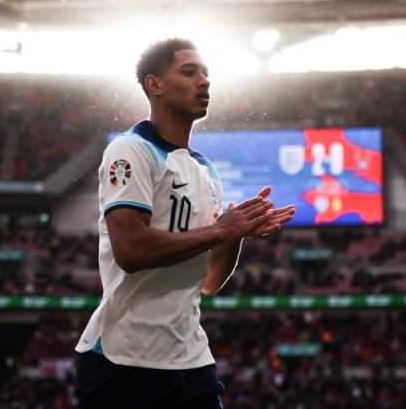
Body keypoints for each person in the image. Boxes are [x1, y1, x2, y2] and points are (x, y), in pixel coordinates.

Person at [74, 38, 296, 408]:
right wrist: (220, 230)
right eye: (189, 72)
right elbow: (130, 250)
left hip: (191, 359)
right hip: (124, 360)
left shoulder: (205, 170)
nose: (204, 81)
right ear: (154, 85)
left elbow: (208, 282)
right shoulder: (131, 149)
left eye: (207, 74)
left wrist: (234, 236)